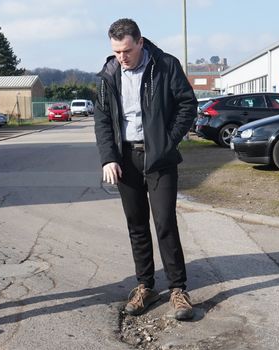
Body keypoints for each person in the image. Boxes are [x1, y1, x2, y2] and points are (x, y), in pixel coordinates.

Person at [93, 18, 198, 320]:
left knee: (164, 222)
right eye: (116, 52)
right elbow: (102, 119)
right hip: (126, 158)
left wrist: (167, 141)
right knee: (136, 224)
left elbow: (187, 105)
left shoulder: (165, 65)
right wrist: (108, 158)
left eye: (127, 50)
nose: (122, 57)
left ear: (140, 42)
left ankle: (178, 289)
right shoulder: (108, 74)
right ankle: (145, 286)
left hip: (159, 158)